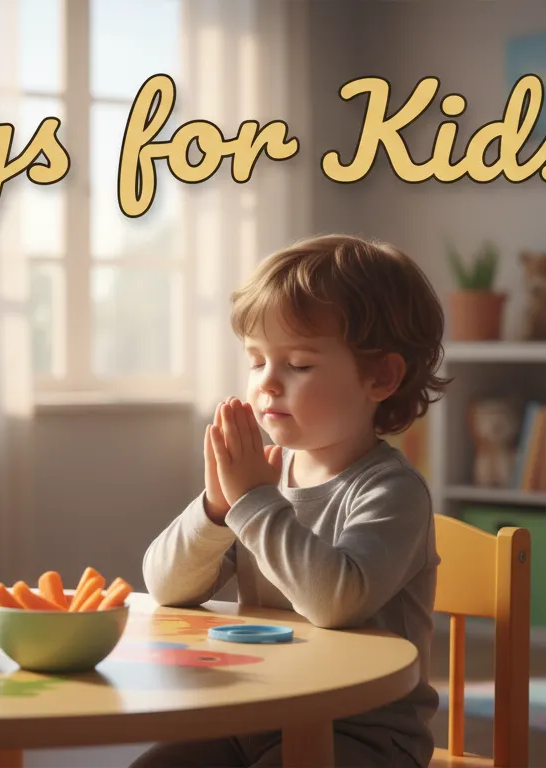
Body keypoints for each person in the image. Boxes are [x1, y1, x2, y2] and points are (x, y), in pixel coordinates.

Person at [134, 234, 450, 768]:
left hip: (363, 733)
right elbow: (164, 585)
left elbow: (336, 601)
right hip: (251, 713)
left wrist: (252, 500)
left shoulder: (391, 492)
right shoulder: (263, 480)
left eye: (299, 365)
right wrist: (216, 507)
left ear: (381, 377)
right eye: (257, 361)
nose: (268, 384)